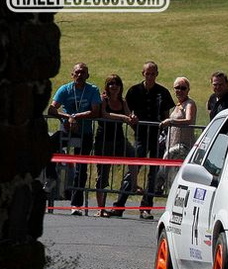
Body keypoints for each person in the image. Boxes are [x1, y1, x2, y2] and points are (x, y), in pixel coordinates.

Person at [110, 61, 175, 219]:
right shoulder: (134, 91)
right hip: (140, 136)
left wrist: (164, 131)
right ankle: (119, 205)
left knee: (153, 174)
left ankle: (146, 208)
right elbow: (127, 110)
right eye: (147, 73)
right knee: (132, 169)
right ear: (143, 74)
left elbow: (166, 114)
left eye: (153, 74)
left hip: (157, 137)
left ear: (157, 74)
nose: (150, 76)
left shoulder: (163, 92)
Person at [47, 62, 102, 216]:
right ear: (72, 74)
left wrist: (76, 117)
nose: (79, 75)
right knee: (47, 147)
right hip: (66, 130)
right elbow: (52, 109)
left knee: (81, 169)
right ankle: (51, 176)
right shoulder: (65, 89)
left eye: (83, 72)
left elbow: (95, 111)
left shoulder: (92, 90)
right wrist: (67, 117)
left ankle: (76, 204)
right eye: (77, 72)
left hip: (85, 133)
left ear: (87, 75)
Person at [94, 74, 138, 217]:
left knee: (133, 155)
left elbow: (128, 117)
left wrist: (132, 118)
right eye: (111, 84)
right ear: (107, 85)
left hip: (119, 139)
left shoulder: (122, 101)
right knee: (103, 175)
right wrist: (124, 118)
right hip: (104, 140)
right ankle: (101, 209)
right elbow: (104, 114)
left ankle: (133, 184)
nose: (114, 86)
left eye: (117, 84)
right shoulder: (103, 99)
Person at [155, 76, 197, 199]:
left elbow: (189, 120)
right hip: (172, 143)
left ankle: (159, 186)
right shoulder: (178, 105)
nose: (180, 90)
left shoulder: (190, 104)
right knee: (172, 177)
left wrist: (171, 121)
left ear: (188, 89)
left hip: (182, 146)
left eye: (183, 88)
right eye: (177, 88)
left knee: (168, 167)